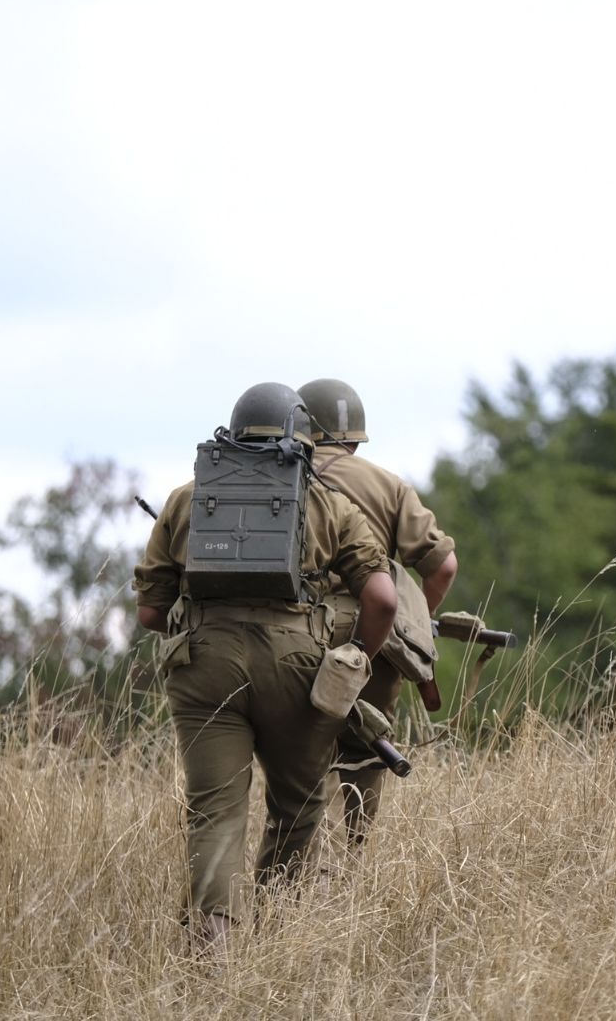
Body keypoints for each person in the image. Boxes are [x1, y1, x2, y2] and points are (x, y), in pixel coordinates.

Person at [133, 382, 398, 953]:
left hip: (204, 668)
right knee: (299, 805)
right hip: (299, 669)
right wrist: (357, 660)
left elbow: (151, 611)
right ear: (302, 438)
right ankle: (280, 946)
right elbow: (382, 598)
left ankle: (215, 947)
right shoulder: (329, 502)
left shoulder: (188, 497)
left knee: (215, 812)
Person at [296, 377, 458, 843]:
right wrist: (400, 625)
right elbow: (443, 566)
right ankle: (352, 872)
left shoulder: (287, 479)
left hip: (297, 634)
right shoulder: (389, 486)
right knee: (367, 751)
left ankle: (306, 872)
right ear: (353, 437)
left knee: (306, 753)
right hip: (374, 635)